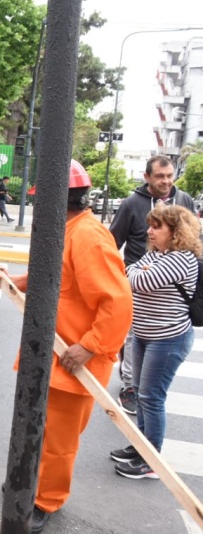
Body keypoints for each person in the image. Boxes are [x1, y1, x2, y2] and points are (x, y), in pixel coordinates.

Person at [0, 160, 132, 533]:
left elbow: (117, 303)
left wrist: (90, 346)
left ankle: (46, 501)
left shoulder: (88, 237)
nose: (35, 205)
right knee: (34, 429)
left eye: (40, 198)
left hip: (73, 362)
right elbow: (50, 277)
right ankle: (26, 484)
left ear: (57, 198)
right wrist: (10, 280)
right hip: (48, 356)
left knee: (58, 441)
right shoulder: (66, 231)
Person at [110, 204, 200, 479]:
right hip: (144, 335)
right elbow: (130, 270)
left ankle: (151, 460)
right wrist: (138, 270)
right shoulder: (158, 254)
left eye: (157, 227)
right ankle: (141, 447)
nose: (149, 231)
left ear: (176, 231)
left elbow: (138, 281)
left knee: (151, 397)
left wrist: (137, 271)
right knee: (140, 394)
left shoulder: (182, 259)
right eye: (150, 225)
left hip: (168, 339)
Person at [109, 154, 194, 415]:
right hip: (137, 281)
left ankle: (143, 389)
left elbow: (193, 239)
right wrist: (126, 274)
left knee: (153, 379)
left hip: (170, 290)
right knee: (132, 337)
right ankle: (129, 387)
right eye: (159, 176)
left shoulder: (184, 200)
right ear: (147, 177)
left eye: (169, 176)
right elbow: (113, 243)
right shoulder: (132, 204)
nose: (166, 181)